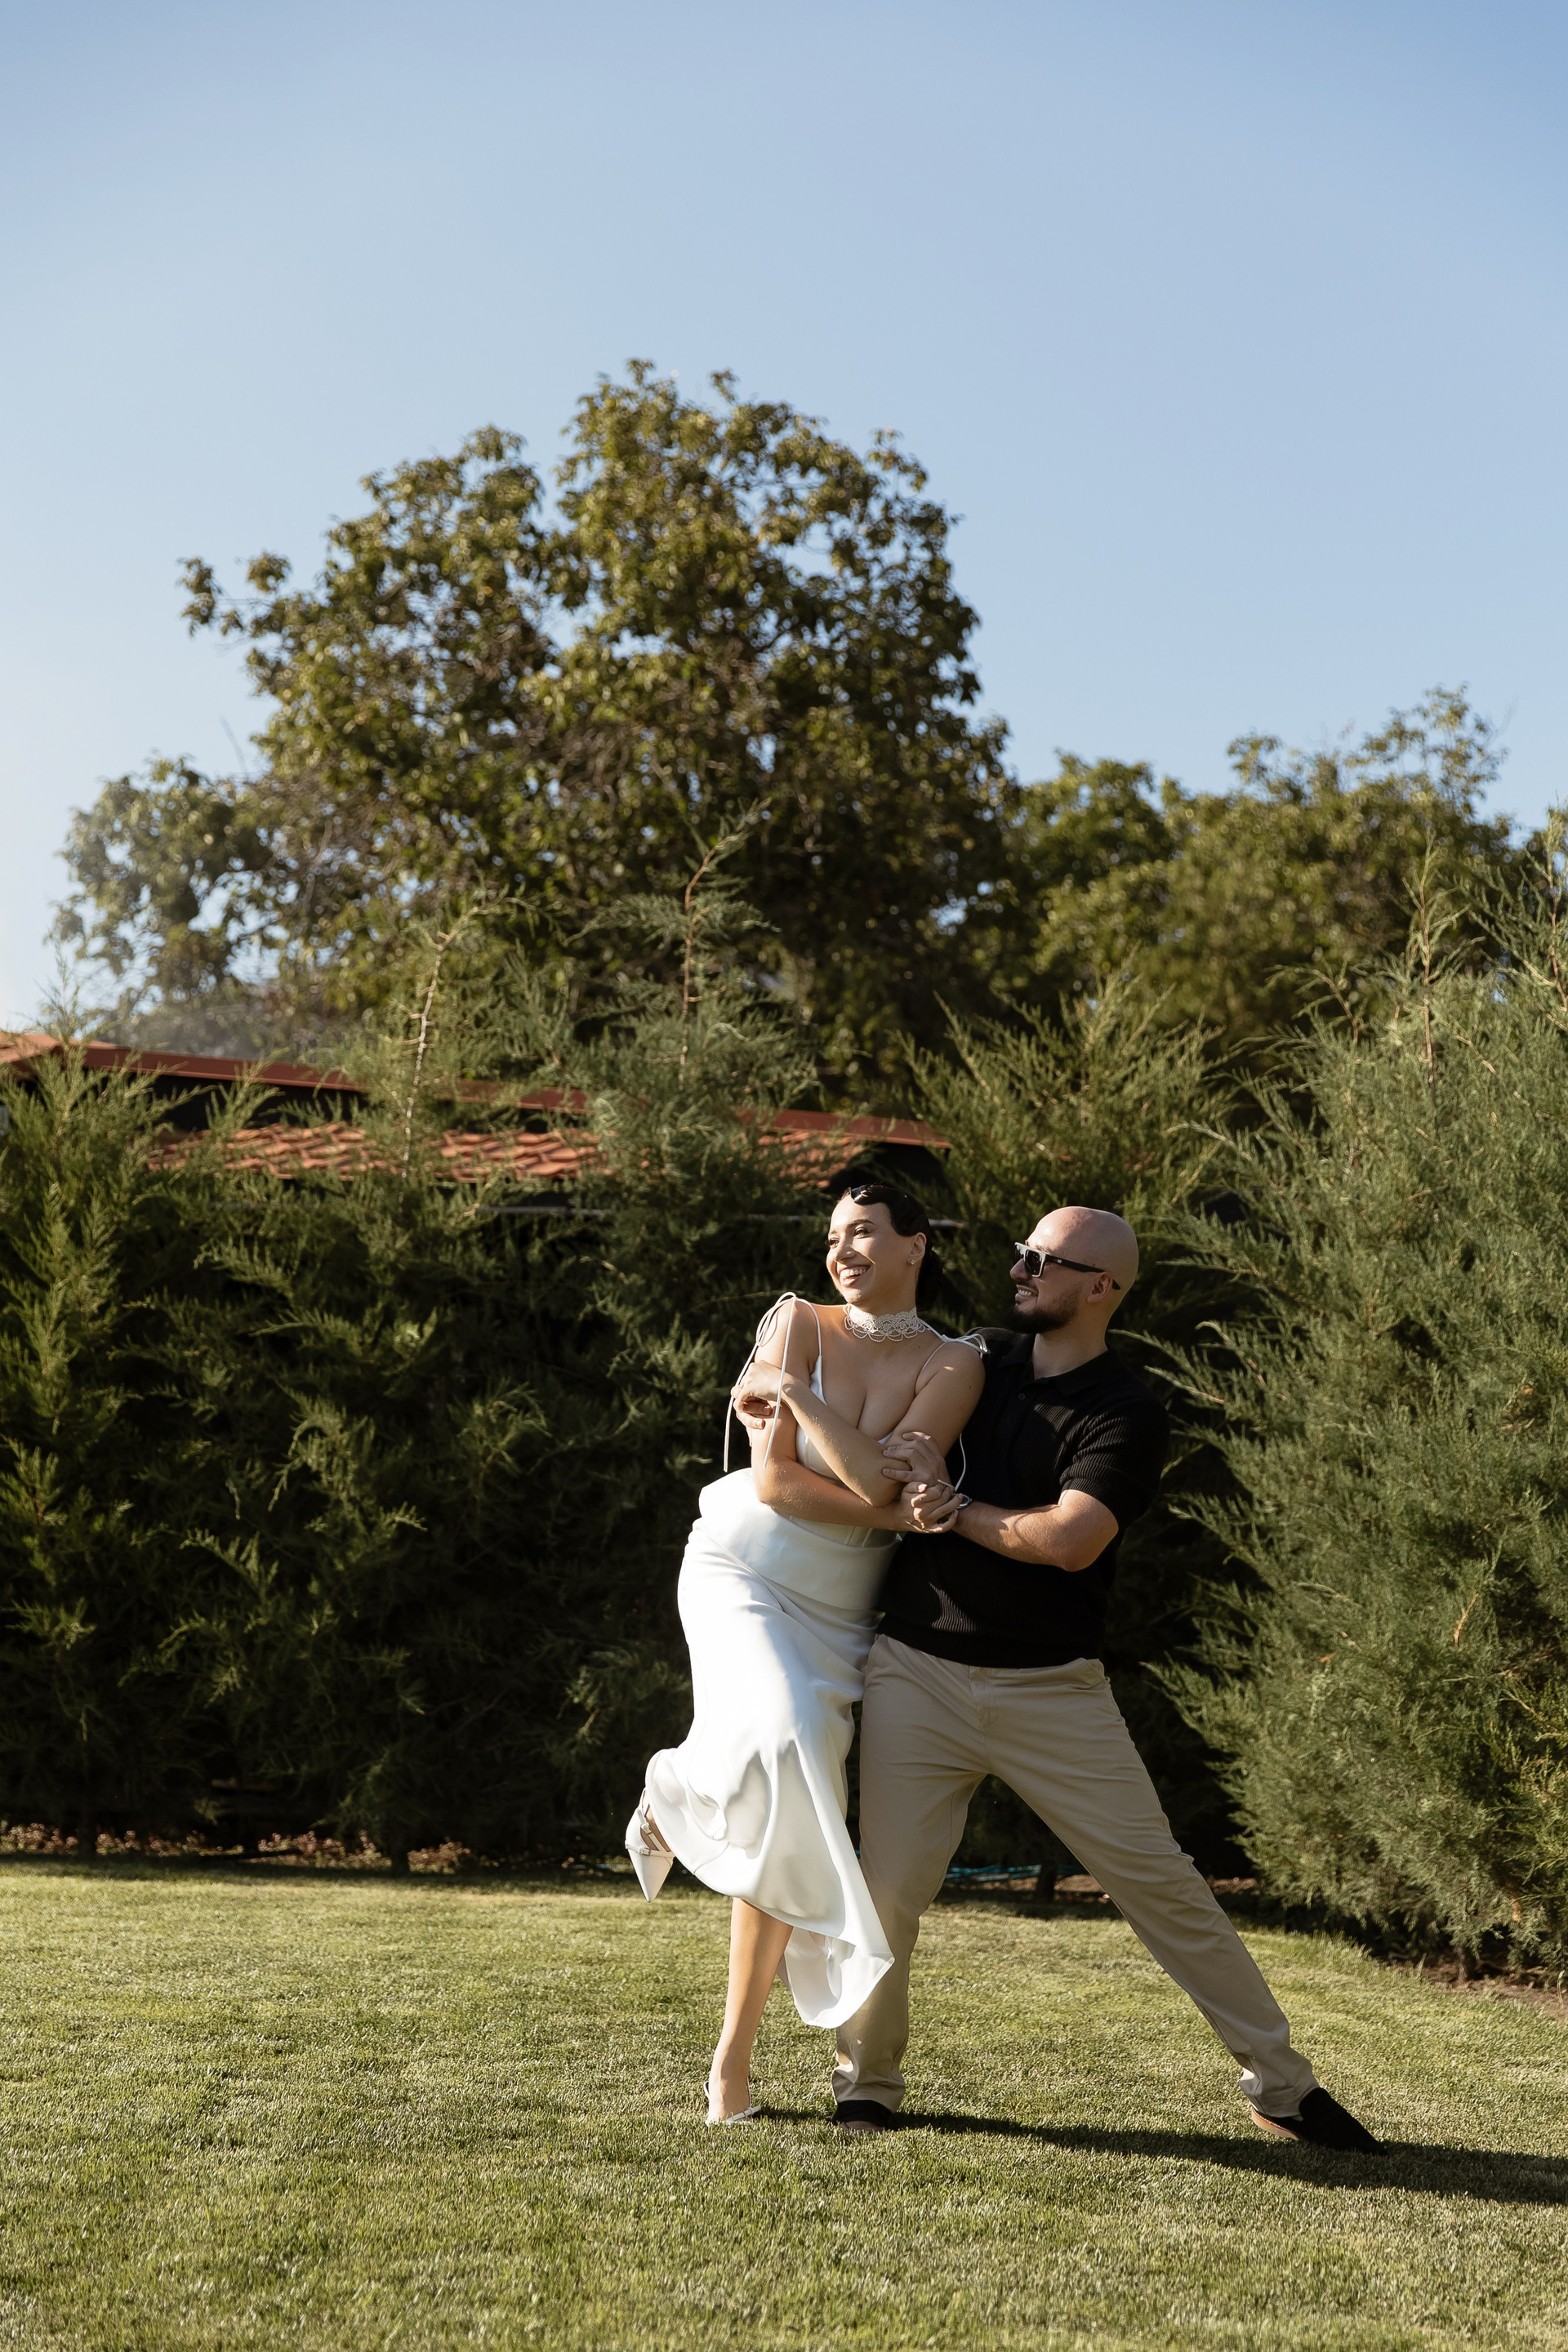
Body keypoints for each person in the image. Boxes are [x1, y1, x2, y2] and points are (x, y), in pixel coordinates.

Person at [829, 1203, 1379, 2152]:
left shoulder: (1126, 1410)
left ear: (1101, 1288)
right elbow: (875, 1400)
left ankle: (1284, 2088)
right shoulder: (976, 1359)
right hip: (915, 1671)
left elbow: (1071, 1539)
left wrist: (953, 1508)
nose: (1020, 1270)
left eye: (1043, 1261)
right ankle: (865, 2084)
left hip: (1052, 1691)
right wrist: (809, 1402)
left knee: (1165, 1887)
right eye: (1022, 1254)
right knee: (886, 1892)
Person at [626, 1180, 983, 2126]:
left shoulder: (956, 1362)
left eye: (863, 1232)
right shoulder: (796, 1320)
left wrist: (792, 1396)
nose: (842, 1251)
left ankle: (730, 2060)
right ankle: (683, 1785)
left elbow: (872, 1483)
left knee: (800, 1792)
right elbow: (781, 1487)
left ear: (916, 1245)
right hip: (740, 1570)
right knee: (789, 1740)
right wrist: (887, 1501)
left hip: (839, 1605)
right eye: (833, 1236)